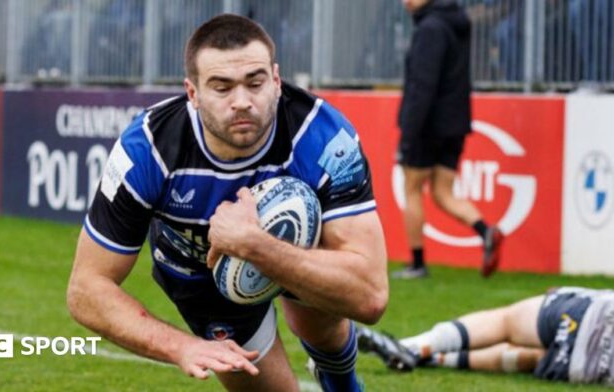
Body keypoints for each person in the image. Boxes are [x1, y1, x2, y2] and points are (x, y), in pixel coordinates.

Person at [67, 14, 388, 392]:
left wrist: (252, 244)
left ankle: (342, 383)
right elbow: (86, 289)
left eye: (255, 83)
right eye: (222, 87)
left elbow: (370, 297)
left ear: (276, 80)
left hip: (298, 246)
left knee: (318, 324)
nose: (242, 102)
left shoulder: (324, 138)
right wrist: (183, 347)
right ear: (193, 93)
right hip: (199, 274)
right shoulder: (148, 150)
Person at [395, 0, 503, 279]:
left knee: (412, 188)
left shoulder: (430, 28)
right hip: (455, 123)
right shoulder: (456, 22)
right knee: (444, 192)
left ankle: (417, 263)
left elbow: (423, 86)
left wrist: (409, 131)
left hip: (428, 124)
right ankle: (485, 231)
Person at [358, 286, 614, 385]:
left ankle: (412, 347)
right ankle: (432, 359)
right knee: (530, 359)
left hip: (592, 316)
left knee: (505, 322)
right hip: (587, 369)